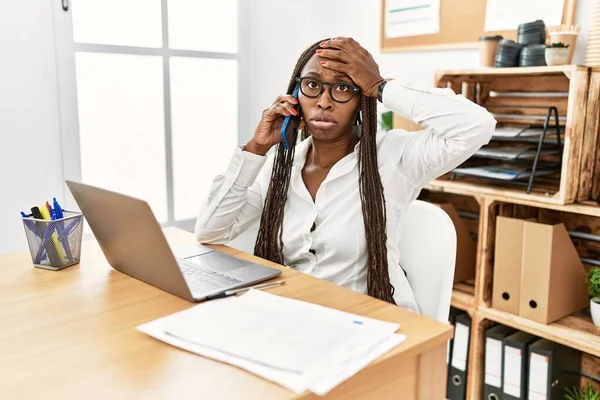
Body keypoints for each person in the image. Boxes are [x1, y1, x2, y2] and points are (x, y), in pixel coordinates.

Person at [195, 37, 496, 312]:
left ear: (361, 99)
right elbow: (210, 230)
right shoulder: (281, 166)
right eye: (312, 85)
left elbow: (476, 125)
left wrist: (381, 86)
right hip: (297, 317)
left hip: (371, 321)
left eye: (342, 88)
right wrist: (255, 149)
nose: (324, 102)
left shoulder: (395, 156)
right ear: (296, 93)